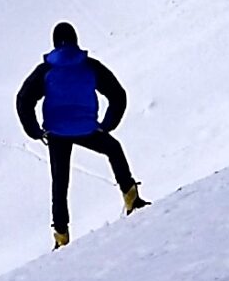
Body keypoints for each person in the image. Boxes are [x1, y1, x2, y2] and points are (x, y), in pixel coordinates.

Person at [16, 21, 147, 246]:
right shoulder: (90, 66)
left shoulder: (45, 70)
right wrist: (107, 125)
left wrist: (35, 131)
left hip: (56, 132)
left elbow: (24, 100)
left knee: (60, 182)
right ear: (76, 40)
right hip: (87, 129)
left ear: (55, 43)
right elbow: (117, 94)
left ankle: (61, 237)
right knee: (113, 149)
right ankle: (131, 199)